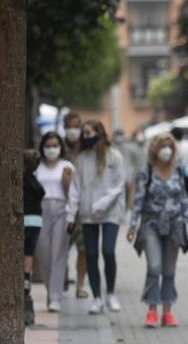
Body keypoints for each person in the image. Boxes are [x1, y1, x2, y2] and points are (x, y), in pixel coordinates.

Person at [127, 133, 188, 328]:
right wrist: (132, 225)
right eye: (163, 146)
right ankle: (151, 310)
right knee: (154, 267)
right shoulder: (146, 170)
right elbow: (138, 200)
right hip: (151, 225)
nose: (167, 150)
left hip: (174, 225)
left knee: (169, 270)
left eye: (169, 146)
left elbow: (183, 197)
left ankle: (168, 311)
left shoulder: (179, 170)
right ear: (155, 149)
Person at [66, 120, 126, 315]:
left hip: (110, 212)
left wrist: (102, 204)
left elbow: (119, 185)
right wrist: (70, 213)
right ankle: (97, 298)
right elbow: (75, 187)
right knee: (91, 254)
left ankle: (110, 293)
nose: (86, 136)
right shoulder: (81, 158)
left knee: (108, 251)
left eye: (90, 132)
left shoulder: (114, 156)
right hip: (87, 213)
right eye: (84, 133)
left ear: (99, 133)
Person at [34, 132, 74, 312]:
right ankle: (50, 290)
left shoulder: (67, 166)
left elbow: (73, 193)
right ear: (43, 147)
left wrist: (71, 214)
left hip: (61, 208)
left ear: (60, 147)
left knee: (58, 252)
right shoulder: (37, 167)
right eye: (48, 145)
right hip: (41, 209)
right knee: (42, 252)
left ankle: (55, 296)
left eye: (55, 145)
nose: (52, 149)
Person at [62, 111, 88, 299]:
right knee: (61, 248)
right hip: (60, 205)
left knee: (83, 248)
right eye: (70, 126)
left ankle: (80, 284)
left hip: (82, 206)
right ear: (64, 127)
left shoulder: (86, 148)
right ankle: (61, 278)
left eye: (76, 126)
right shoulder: (57, 145)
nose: (73, 130)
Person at [22, 150, 46, 301]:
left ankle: (19, 278)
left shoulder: (21, 180)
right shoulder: (36, 181)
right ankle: (26, 279)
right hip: (37, 220)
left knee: (19, 250)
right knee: (29, 251)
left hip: (24, 219)